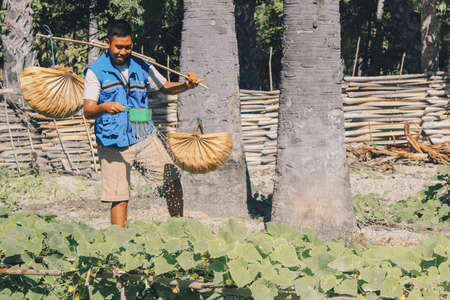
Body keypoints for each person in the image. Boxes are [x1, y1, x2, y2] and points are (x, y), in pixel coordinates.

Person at [83, 19, 201, 227]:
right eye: (118, 47)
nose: (123, 51)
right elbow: (88, 110)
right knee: (119, 196)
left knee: (171, 178)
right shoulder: (95, 71)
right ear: (107, 42)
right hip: (112, 141)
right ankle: (118, 243)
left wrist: (186, 85)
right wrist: (105, 107)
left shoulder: (142, 65)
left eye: (128, 47)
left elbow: (165, 87)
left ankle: (180, 228)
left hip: (143, 132)